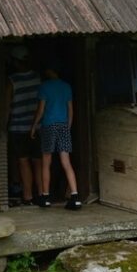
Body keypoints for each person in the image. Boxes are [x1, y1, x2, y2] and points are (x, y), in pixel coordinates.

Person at [29, 65, 82, 210]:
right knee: (66, 162)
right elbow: (70, 110)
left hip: (48, 126)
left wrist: (34, 125)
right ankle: (75, 197)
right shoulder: (66, 87)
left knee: (46, 162)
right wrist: (67, 126)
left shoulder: (44, 87)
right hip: (63, 126)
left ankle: (45, 197)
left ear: (50, 71)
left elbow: (41, 110)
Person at [3, 46, 42, 205]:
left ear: (15, 62)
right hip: (37, 127)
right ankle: (42, 194)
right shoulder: (38, 78)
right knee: (38, 162)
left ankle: (28, 196)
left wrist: (3, 126)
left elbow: (7, 106)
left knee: (23, 161)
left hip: (18, 128)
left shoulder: (12, 81)